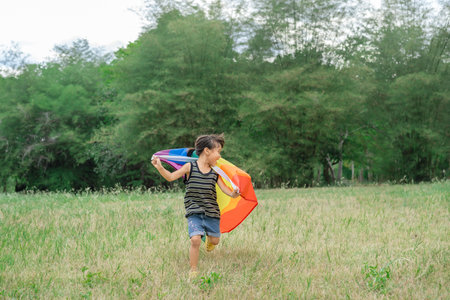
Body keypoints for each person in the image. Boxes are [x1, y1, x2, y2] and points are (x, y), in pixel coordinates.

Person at [151, 134, 240, 278]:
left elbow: (227, 191)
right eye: (218, 151)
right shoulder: (189, 167)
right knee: (195, 240)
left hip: (212, 212)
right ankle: (193, 270)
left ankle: (209, 240)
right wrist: (160, 167)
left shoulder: (215, 172)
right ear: (207, 151)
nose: (219, 156)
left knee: (215, 241)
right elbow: (171, 177)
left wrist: (235, 193)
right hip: (194, 210)